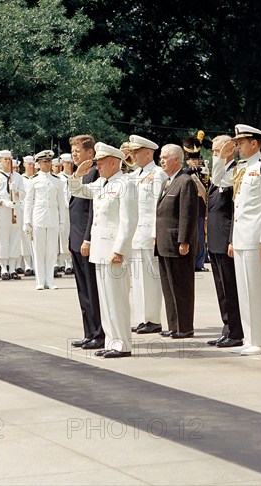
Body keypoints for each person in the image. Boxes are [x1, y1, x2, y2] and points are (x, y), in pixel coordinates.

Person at [216, 125, 261, 354]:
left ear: (254, 143)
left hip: (256, 238)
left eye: (241, 142)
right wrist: (221, 158)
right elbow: (219, 181)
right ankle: (249, 339)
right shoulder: (241, 166)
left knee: (257, 291)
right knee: (243, 291)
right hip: (242, 237)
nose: (238, 146)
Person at [70, 142, 139, 358]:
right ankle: (111, 341)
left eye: (101, 163)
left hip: (113, 251)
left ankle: (123, 344)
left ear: (113, 162)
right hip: (100, 251)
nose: (97, 167)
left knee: (117, 300)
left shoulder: (125, 184)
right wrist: (77, 174)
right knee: (106, 301)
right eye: (97, 163)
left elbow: (128, 221)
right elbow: (79, 191)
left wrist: (120, 250)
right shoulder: (102, 183)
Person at [204, 134, 244, 348]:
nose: (214, 154)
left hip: (226, 237)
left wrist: (231, 240)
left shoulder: (235, 172)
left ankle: (236, 332)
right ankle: (227, 328)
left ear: (230, 149)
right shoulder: (221, 172)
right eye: (213, 150)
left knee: (230, 287)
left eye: (217, 150)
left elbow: (234, 210)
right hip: (216, 238)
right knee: (221, 288)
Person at [155, 144, 198, 339]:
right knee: (168, 286)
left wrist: (184, 241)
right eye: (161, 157)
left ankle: (185, 327)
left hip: (177, 243)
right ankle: (174, 325)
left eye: (165, 157)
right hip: (164, 243)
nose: (161, 160)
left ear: (176, 160)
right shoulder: (168, 181)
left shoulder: (185, 181)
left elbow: (187, 214)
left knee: (181, 286)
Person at [68, 135, 104, 351]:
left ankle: (99, 333)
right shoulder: (80, 175)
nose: (74, 155)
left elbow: (92, 211)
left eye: (78, 151)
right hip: (76, 239)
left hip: (85, 240)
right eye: (72, 151)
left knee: (92, 290)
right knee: (83, 291)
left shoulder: (95, 174)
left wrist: (87, 238)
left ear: (90, 153)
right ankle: (88, 332)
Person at [128, 134, 166, 335]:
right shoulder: (134, 175)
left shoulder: (158, 174)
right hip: (135, 234)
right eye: (132, 152)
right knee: (138, 280)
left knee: (150, 279)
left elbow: (157, 207)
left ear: (149, 152)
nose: (133, 155)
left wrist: (154, 235)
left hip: (148, 233)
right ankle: (141, 318)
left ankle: (153, 319)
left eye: (136, 152)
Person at [24, 150, 66, 290]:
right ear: (39, 163)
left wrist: (62, 222)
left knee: (52, 251)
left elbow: (61, 203)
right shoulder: (33, 180)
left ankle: (50, 280)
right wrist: (26, 222)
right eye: (45, 162)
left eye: (49, 162)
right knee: (39, 251)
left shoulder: (56, 180)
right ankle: (40, 281)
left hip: (53, 219)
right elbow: (28, 202)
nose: (48, 164)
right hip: (38, 219)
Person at [0, 150, 26, 280]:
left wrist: (16, 191)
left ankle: (13, 267)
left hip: (16, 209)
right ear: (0, 161)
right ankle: (4, 267)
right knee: (3, 238)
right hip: (4, 210)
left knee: (15, 238)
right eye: (5, 159)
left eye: (9, 159)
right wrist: (3, 203)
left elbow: (24, 194)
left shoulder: (17, 177)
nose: (7, 162)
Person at [182, 134, 209, 272]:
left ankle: (200, 262)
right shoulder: (185, 173)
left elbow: (206, 190)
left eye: (197, 159)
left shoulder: (202, 173)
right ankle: (192, 262)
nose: (195, 161)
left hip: (201, 207)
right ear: (187, 160)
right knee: (191, 236)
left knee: (200, 236)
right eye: (193, 159)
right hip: (191, 207)